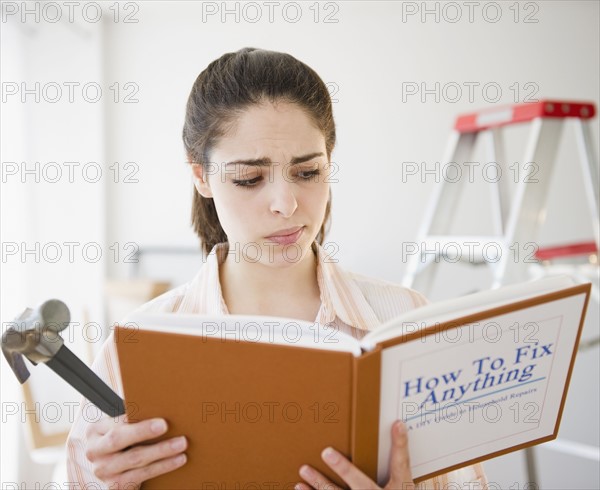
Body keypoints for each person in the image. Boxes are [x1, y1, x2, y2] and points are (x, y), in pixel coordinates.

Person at [66, 47, 487, 489]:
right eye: (250, 179)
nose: (286, 205)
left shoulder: (405, 320)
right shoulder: (136, 346)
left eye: (307, 173)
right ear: (201, 177)